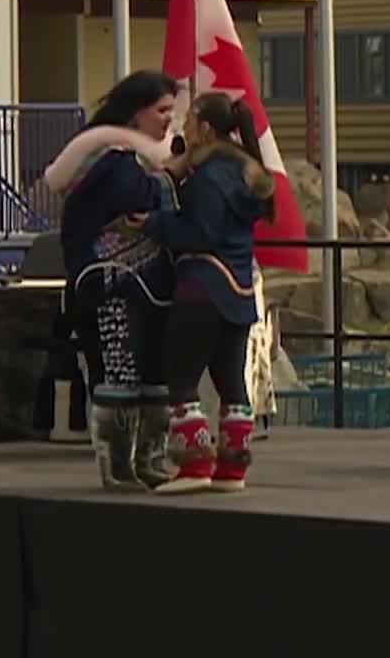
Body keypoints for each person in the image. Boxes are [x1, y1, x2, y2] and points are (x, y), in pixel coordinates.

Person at [133, 92, 277, 494]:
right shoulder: (243, 171)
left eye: (190, 120)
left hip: (203, 284)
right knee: (231, 380)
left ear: (206, 128)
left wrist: (155, 224)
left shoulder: (210, 178)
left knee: (180, 376)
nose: (184, 126)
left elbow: (202, 233)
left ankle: (195, 465)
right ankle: (232, 470)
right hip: (240, 286)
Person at [48, 69, 179, 491]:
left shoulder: (130, 159)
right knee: (119, 373)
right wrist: (173, 178)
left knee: (154, 371)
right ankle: (118, 465)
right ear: (137, 113)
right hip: (111, 287)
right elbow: (134, 200)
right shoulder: (112, 160)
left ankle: (149, 458)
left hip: (148, 287)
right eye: (161, 111)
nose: (167, 120)